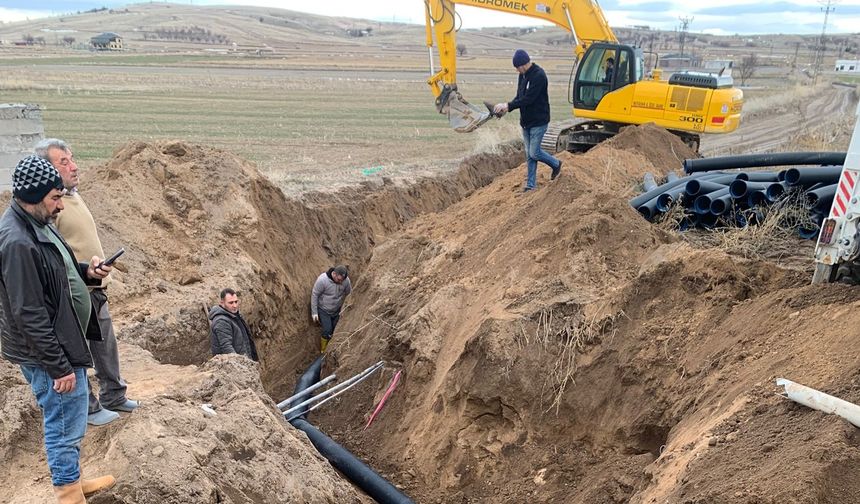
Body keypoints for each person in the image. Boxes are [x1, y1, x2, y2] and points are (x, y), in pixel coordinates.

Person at [0, 155, 116, 503]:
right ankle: (67, 494)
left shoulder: (38, 222)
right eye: (55, 197)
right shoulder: (17, 242)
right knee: (63, 422)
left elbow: (57, 271)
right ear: (34, 196)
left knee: (74, 414)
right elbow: (28, 313)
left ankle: (73, 479)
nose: (60, 205)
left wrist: (87, 272)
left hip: (62, 342)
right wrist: (58, 366)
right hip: (48, 353)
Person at [38, 139, 139, 427]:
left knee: (106, 346)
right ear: (47, 169)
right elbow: (51, 252)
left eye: (73, 158)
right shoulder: (50, 207)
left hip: (94, 286)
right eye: (64, 162)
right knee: (78, 352)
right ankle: (89, 407)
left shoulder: (74, 196)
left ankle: (115, 395)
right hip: (73, 293)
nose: (74, 165)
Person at [494, 49, 562, 192]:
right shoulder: (522, 75)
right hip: (526, 121)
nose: (517, 70)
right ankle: (530, 186)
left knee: (534, 153)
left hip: (539, 120)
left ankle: (556, 164)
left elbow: (529, 99)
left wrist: (508, 105)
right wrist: (507, 108)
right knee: (529, 155)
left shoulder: (539, 76)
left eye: (517, 67)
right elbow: (519, 96)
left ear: (523, 64)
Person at [310, 265, 352, 353]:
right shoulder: (322, 280)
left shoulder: (345, 281)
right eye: (339, 280)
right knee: (327, 330)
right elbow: (315, 295)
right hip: (324, 310)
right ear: (334, 274)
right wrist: (314, 313)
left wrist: (349, 307)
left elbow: (350, 294)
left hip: (337, 310)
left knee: (336, 330)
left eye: (342, 280)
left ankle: (332, 347)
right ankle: (323, 350)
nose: (341, 282)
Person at [209, 288, 258, 360]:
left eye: (236, 302)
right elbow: (227, 347)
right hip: (232, 366)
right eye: (231, 303)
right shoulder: (221, 321)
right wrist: (240, 365)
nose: (235, 305)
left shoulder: (235, 315)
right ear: (222, 303)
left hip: (244, 361)